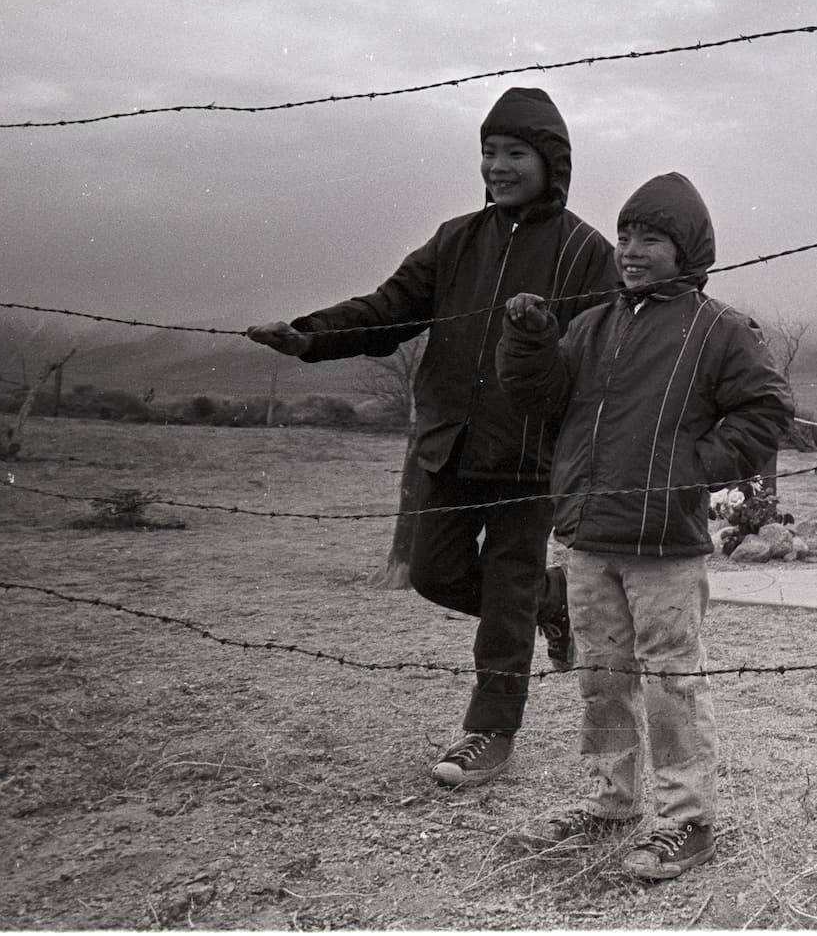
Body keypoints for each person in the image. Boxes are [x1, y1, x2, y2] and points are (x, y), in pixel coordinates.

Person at [245, 86, 617, 790]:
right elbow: (389, 309)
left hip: (530, 456)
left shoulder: (584, 253)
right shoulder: (455, 240)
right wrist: (310, 335)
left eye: (514, 153)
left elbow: (596, 355)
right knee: (433, 572)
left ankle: (490, 730)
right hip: (449, 443)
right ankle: (550, 598)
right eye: (488, 152)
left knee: (504, 587)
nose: (497, 166)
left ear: (551, 161)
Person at [496, 171, 794, 882]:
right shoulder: (592, 324)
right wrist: (530, 340)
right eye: (626, 233)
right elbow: (538, 397)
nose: (630, 249)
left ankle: (685, 818)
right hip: (590, 535)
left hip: (664, 543)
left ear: (686, 248)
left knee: (670, 681)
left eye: (651, 237)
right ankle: (611, 800)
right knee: (601, 677)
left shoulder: (718, 328)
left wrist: (692, 466)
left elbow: (766, 410)